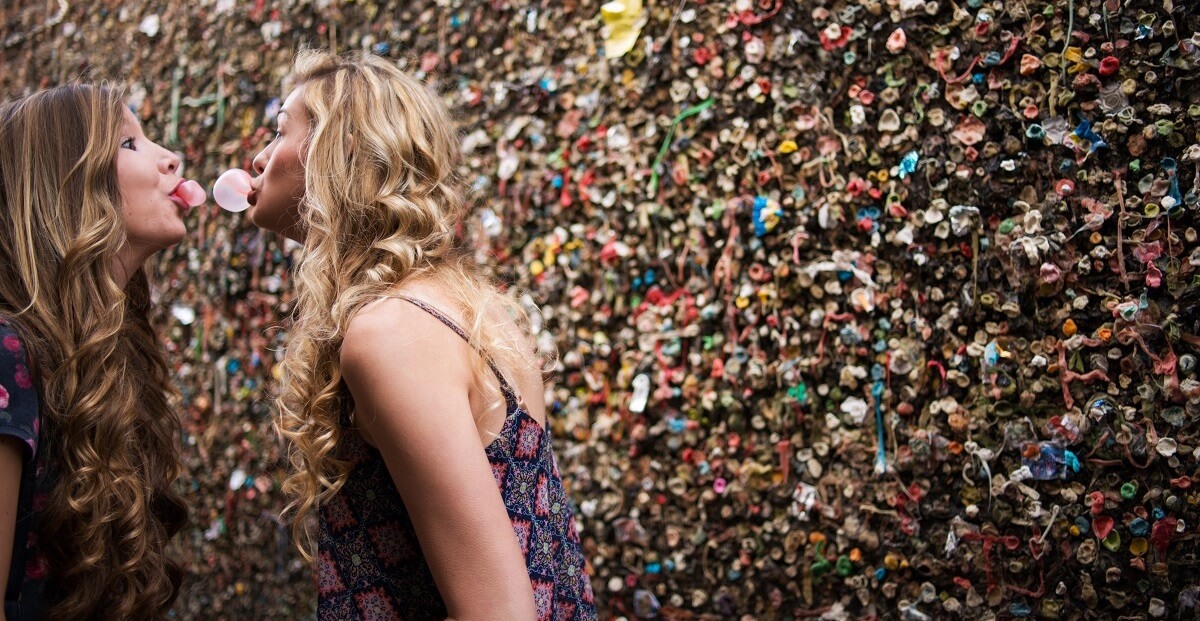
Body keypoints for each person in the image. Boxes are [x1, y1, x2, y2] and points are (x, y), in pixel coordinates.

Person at [246, 49, 596, 620]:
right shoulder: (464, 306)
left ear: (340, 153)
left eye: (280, 131)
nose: (258, 160)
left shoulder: (390, 331)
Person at [0, 84, 194, 620]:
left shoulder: (112, 357)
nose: (169, 157)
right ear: (64, 187)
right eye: (129, 144)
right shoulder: (7, 354)